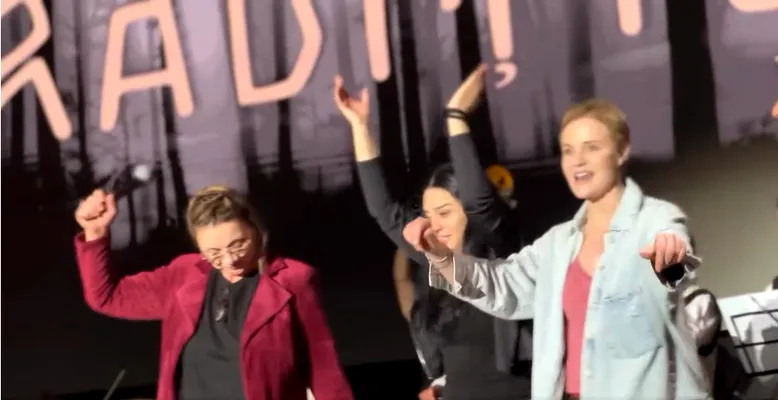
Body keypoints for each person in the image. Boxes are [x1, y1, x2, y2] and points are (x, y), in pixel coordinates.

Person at [404, 98, 710, 399]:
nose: (578, 160)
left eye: (591, 147)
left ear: (621, 151)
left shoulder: (654, 219)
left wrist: (669, 259)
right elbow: (502, 285)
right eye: (568, 150)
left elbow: (676, 261)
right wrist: (440, 256)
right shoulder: (558, 244)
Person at [334, 66, 531, 400]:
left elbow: (480, 203)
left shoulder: (501, 252)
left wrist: (456, 117)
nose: (434, 224)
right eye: (428, 215)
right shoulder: (439, 264)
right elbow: (385, 210)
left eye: (445, 213)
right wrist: (359, 126)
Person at [73, 186, 353, 400]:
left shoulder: (293, 280)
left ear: (256, 229)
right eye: (214, 253)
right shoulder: (183, 276)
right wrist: (95, 233)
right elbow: (106, 296)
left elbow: (323, 368)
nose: (229, 260)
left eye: (238, 245)